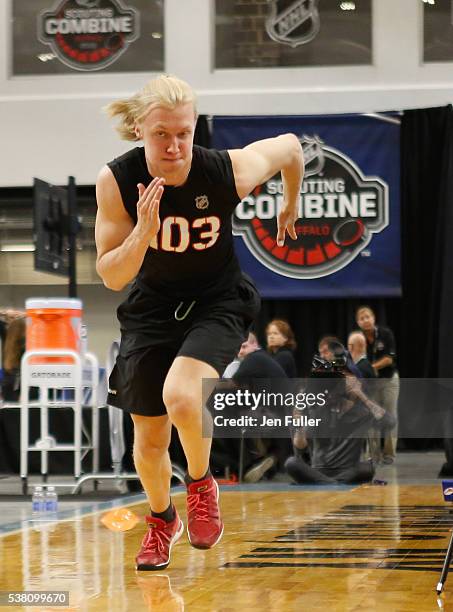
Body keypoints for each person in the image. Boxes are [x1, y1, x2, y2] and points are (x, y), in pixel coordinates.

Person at [95, 74, 304, 571]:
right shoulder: (118, 181)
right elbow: (111, 275)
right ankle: (162, 519)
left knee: (183, 397)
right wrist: (143, 234)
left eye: (184, 132)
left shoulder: (225, 170)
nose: (174, 145)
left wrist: (290, 202)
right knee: (147, 440)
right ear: (141, 131)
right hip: (151, 308)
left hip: (216, 300)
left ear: (194, 129)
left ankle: (201, 483)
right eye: (162, 134)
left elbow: (292, 148)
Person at [285, 344, 395, 485]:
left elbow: (389, 422)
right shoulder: (316, 411)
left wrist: (362, 396)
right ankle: (333, 484)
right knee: (291, 463)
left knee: (367, 468)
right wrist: (299, 425)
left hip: (348, 470)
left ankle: (327, 484)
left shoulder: (361, 412)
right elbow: (300, 447)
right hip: (320, 471)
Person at [356, 306, 400, 464]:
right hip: (370, 384)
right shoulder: (358, 339)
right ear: (358, 322)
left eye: (368, 317)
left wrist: (371, 368)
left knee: (390, 415)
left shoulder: (385, 334)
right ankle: (373, 455)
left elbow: (389, 358)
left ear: (373, 318)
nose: (365, 320)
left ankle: (389, 454)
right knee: (371, 416)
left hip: (389, 380)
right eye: (362, 318)